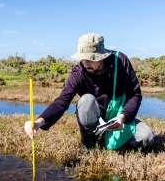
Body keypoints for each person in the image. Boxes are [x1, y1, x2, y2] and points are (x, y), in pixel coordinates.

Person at [24, 33, 154, 150]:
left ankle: (110, 139)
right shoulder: (77, 73)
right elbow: (61, 102)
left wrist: (122, 117)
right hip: (94, 118)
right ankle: (89, 140)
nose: (85, 63)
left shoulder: (120, 61)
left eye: (90, 59)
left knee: (146, 137)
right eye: (83, 58)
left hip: (118, 117)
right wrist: (38, 122)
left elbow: (135, 94)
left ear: (102, 57)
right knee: (86, 100)